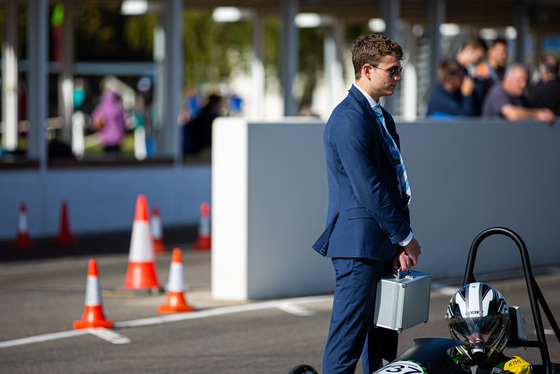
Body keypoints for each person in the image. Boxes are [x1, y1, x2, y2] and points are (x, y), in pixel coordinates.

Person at [312, 34, 421, 374]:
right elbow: (369, 188)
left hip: (382, 245)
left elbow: (392, 185)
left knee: (384, 345)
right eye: (392, 70)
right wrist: (404, 237)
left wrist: (396, 244)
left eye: (399, 69)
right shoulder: (348, 118)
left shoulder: (381, 117)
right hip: (358, 248)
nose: (398, 77)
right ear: (367, 69)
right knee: (347, 344)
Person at [446, 282, 533, 374]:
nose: (478, 339)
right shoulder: (444, 364)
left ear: (500, 327)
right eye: (468, 330)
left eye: (485, 327)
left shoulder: (513, 367)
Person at [482, 64, 555, 124]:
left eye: (525, 81)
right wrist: (537, 114)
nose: (523, 85)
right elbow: (512, 114)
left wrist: (545, 113)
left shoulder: (521, 97)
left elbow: (529, 110)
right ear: (508, 79)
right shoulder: (498, 92)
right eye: (519, 81)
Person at [473, 37, 509, 106]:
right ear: (490, 51)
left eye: (505, 52)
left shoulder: (504, 72)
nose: (503, 56)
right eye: (500, 52)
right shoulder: (481, 70)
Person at [91, 89, 127, 154]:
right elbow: (123, 123)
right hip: (117, 137)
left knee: (106, 158)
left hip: (105, 138)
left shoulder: (101, 108)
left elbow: (94, 120)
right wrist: (123, 134)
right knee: (116, 157)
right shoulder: (118, 108)